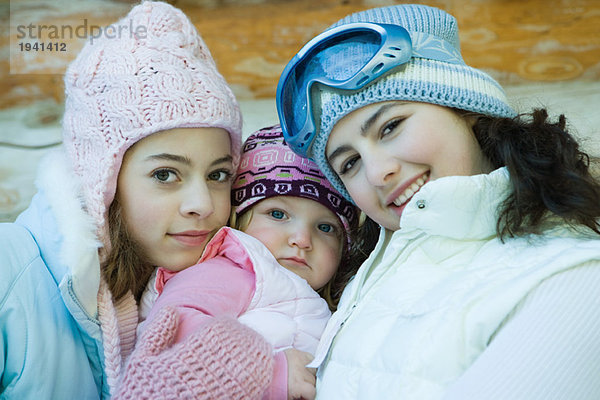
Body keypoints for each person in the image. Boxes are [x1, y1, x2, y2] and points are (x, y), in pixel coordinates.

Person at [276, 4, 600, 399]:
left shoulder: (572, 279)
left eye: (391, 126)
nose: (377, 173)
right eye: (350, 162)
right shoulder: (369, 278)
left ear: (465, 108)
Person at [1, 2, 287, 399]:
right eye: (165, 175)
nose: (202, 204)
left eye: (217, 174)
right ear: (103, 178)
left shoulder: (218, 293)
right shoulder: (8, 273)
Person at [128, 125, 359, 399]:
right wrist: (273, 373)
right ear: (240, 217)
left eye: (325, 228)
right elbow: (175, 330)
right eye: (277, 214)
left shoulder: (333, 307)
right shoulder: (227, 272)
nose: (302, 239)